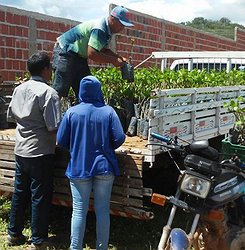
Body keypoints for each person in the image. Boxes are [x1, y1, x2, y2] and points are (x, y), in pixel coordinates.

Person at [56, 75, 126, 250]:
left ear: (81, 91)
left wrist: (76, 145)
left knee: (79, 211)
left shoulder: (72, 112)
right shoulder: (109, 111)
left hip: (79, 167)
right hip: (104, 167)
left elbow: (61, 140)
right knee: (102, 211)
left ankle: (75, 247)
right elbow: (119, 137)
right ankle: (101, 248)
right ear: (98, 91)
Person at [6, 52, 61, 250]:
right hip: (40, 151)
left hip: (21, 149)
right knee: (40, 195)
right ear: (46, 69)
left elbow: (11, 116)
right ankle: (38, 240)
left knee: (20, 192)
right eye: (50, 68)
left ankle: (13, 234)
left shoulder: (19, 89)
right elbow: (53, 126)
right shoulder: (48, 93)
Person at [52, 5, 134, 98]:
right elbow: (92, 54)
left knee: (87, 90)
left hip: (79, 56)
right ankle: (51, 112)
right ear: (112, 18)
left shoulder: (108, 30)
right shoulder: (100, 28)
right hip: (65, 51)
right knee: (59, 90)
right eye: (121, 24)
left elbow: (102, 50)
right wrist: (114, 60)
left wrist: (118, 57)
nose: (122, 28)